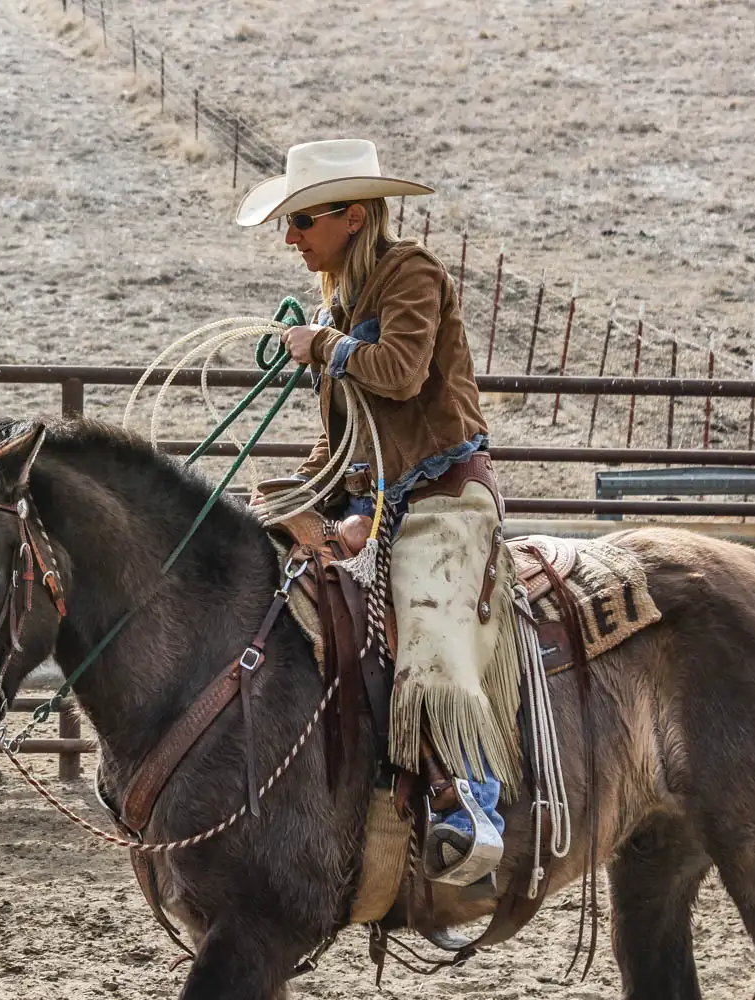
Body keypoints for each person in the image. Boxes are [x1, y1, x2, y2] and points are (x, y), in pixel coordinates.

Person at [237, 139, 522, 887]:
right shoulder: (341, 302)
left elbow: (401, 372)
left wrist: (326, 346)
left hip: (444, 496)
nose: (290, 238)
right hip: (373, 495)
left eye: (301, 221)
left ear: (353, 217)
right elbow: (341, 442)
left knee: (428, 614)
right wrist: (290, 494)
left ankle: (470, 805)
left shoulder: (411, 274)